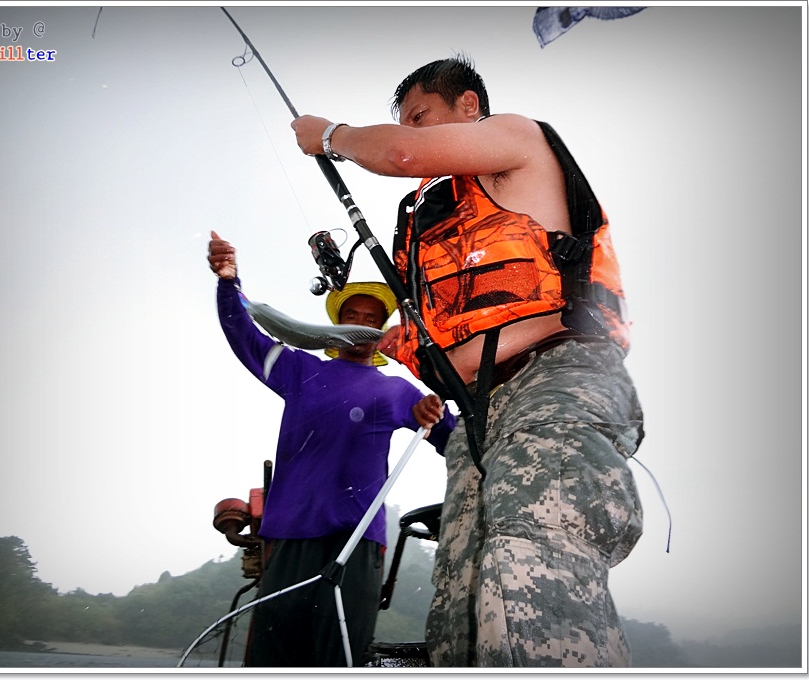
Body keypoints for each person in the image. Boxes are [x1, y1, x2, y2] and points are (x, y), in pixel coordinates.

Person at [291, 56, 644, 667]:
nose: (413, 131)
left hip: (556, 382)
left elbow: (401, 156)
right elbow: (437, 334)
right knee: (462, 593)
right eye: (405, 122)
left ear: (469, 108)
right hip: (478, 418)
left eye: (421, 117)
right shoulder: (430, 224)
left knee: (533, 563)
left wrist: (329, 137)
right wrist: (369, 338)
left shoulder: (516, 136)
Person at [207, 230, 456, 667]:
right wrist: (229, 282)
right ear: (334, 328)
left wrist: (433, 409)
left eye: (370, 318)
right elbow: (244, 336)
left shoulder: (396, 389)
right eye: (351, 315)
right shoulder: (299, 369)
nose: (360, 323)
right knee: (274, 656)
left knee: (338, 656)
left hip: (357, 539)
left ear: (378, 332)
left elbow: (450, 438)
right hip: (288, 534)